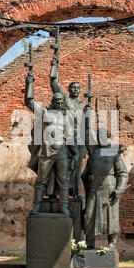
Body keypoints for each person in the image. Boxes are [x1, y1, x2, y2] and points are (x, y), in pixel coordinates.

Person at [25, 72, 78, 215]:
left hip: (62, 152)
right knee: (41, 180)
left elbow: (70, 137)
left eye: (62, 102)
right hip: (47, 151)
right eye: (57, 102)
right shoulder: (44, 112)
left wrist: (76, 154)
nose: (60, 105)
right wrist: (29, 83)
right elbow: (29, 101)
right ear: (53, 102)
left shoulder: (67, 117)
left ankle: (63, 206)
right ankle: (37, 205)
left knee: (63, 180)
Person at [82, 126, 129, 249]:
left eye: (103, 136)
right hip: (93, 189)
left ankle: (112, 243)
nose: (100, 139)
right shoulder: (94, 153)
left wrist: (118, 190)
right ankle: (89, 243)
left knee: (111, 217)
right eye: (98, 137)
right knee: (88, 216)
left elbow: (123, 173)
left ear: (107, 137)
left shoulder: (114, 153)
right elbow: (85, 173)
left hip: (109, 189)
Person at [50, 59, 87, 198]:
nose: (75, 90)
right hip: (67, 138)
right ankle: (58, 194)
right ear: (69, 89)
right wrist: (54, 65)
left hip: (79, 140)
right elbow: (54, 83)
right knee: (63, 168)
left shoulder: (84, 106)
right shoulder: (66, 100)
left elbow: (87, 127)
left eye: (78, 88)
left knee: (77, 170)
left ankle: (76, 194)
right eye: (73, 87)